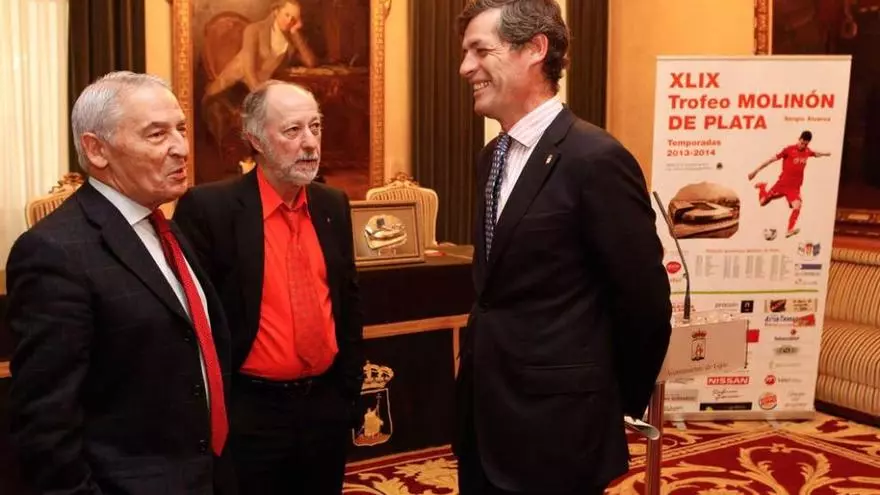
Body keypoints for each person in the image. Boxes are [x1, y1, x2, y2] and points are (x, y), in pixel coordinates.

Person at [455, 1, 673, 494]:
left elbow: (643, 303)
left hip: (559, 430)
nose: (465, 67)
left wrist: (607, 402)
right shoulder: (490, 158)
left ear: (535, 48)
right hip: (485, 419)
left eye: (480, 51)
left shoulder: (595, 159)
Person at [5, 71, 234, 494]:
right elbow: (44, 423)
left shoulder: (165, 228)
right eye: (157, 134)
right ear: (97, 150)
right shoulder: (55, 251)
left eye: (181, 129)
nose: (181, 148)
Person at [173, 80, 364, 495]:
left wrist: (347, 391)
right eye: (293, 130)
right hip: (251, 414)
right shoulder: (209, 209)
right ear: (256, 139)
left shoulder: (332, 205)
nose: (310, 142)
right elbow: (188, 324)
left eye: (315, 126)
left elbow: (347, 302)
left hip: (324, 408)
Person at [203, 0, 317, 103]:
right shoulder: (254, 30)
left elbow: (310, 62)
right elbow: (249, 72)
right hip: (231, 89)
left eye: (294, 18)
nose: (289, 21)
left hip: (257, 89)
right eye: (287, 15)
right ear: (276, 11)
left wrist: (295, 33)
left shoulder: (289, 40)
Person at [748, 130, 831, 238]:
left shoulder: (807, 151)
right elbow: (770, 160)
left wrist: (826, 154)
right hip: (782, 185)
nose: (803, 146)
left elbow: (816, 153)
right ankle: (762, 187)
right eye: (802, 143)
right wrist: (755, 171)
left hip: (794, 188)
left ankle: (789, 230)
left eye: (805, 144)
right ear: (799, 139)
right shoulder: (789, 150)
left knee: (797, 206)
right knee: (762, 202)